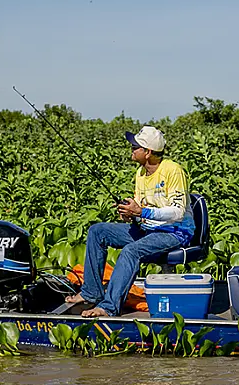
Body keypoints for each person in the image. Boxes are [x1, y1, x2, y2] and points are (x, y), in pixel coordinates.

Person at [66, 125, 195, 317]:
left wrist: (142, 211)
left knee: (130, 251)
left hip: (174, 232)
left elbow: (177, 212)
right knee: (97, 231)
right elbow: (140, 207)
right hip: (147, 230)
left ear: (148, 152)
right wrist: (129, 213)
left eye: (136, 147)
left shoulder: (173, 171)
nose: (132, 149)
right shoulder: (140, 173)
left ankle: (108, 307)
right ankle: (91, 292)